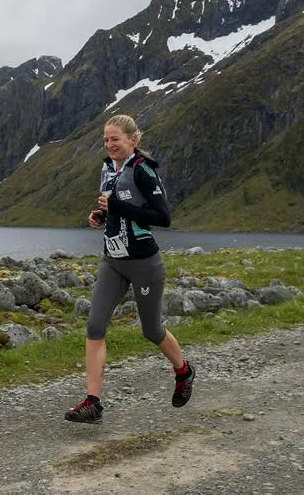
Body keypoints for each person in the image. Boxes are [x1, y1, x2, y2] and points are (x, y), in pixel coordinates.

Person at [65, 114, 194, 424]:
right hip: (112, 261)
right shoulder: (108, 170)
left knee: (151, 330)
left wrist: (118, 209)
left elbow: (162, 217)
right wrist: (98, 215)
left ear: (133, 141)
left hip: (144, 264)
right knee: (95, 327)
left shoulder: (143, 171)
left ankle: (184, 371)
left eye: (115, 140)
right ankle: (93, 401)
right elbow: (111, 207)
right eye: (106, 140)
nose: (109, 145)